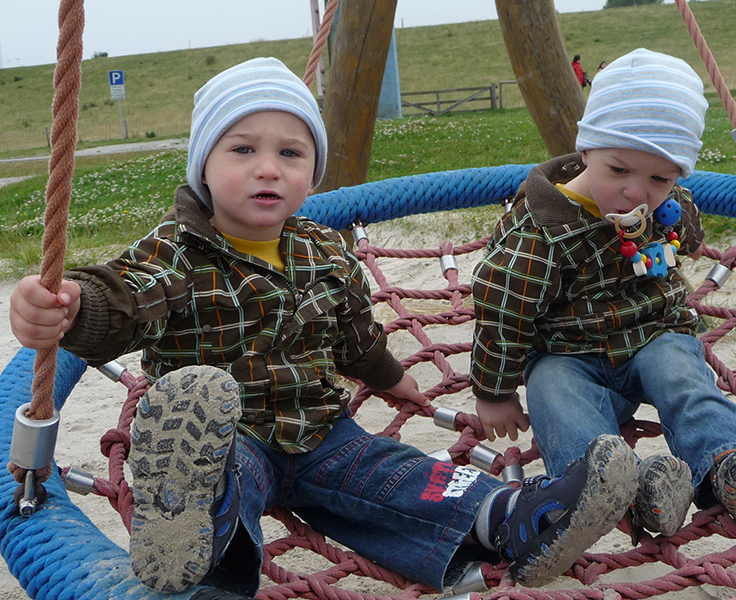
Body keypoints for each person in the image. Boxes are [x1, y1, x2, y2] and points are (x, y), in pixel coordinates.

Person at [9, 57, 640, 598]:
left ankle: (516, 518)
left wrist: (391, 379)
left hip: (319, 431)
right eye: (242, 150)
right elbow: (122, 300)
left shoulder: (323, 249)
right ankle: (193, 534)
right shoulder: (174, 252)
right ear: (202, 165)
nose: (267, 169)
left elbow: (354, 334)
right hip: (233, 433)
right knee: (228, 480)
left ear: (312, 174)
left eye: (290, 153)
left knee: (400, 473)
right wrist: (71, 308)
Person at [470, 48, 736, 540]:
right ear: (587, 149)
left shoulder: (662, 201)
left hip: (654, 334)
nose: (635, 193)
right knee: (555, 396)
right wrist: (492, 391)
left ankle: (732, 464)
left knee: (685, 378)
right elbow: (502, 309)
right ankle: (618, 491)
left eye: (659, 178)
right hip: (567, 351)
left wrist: (674, 213)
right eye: (618, 170)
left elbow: (688, 240)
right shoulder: (540, 228)